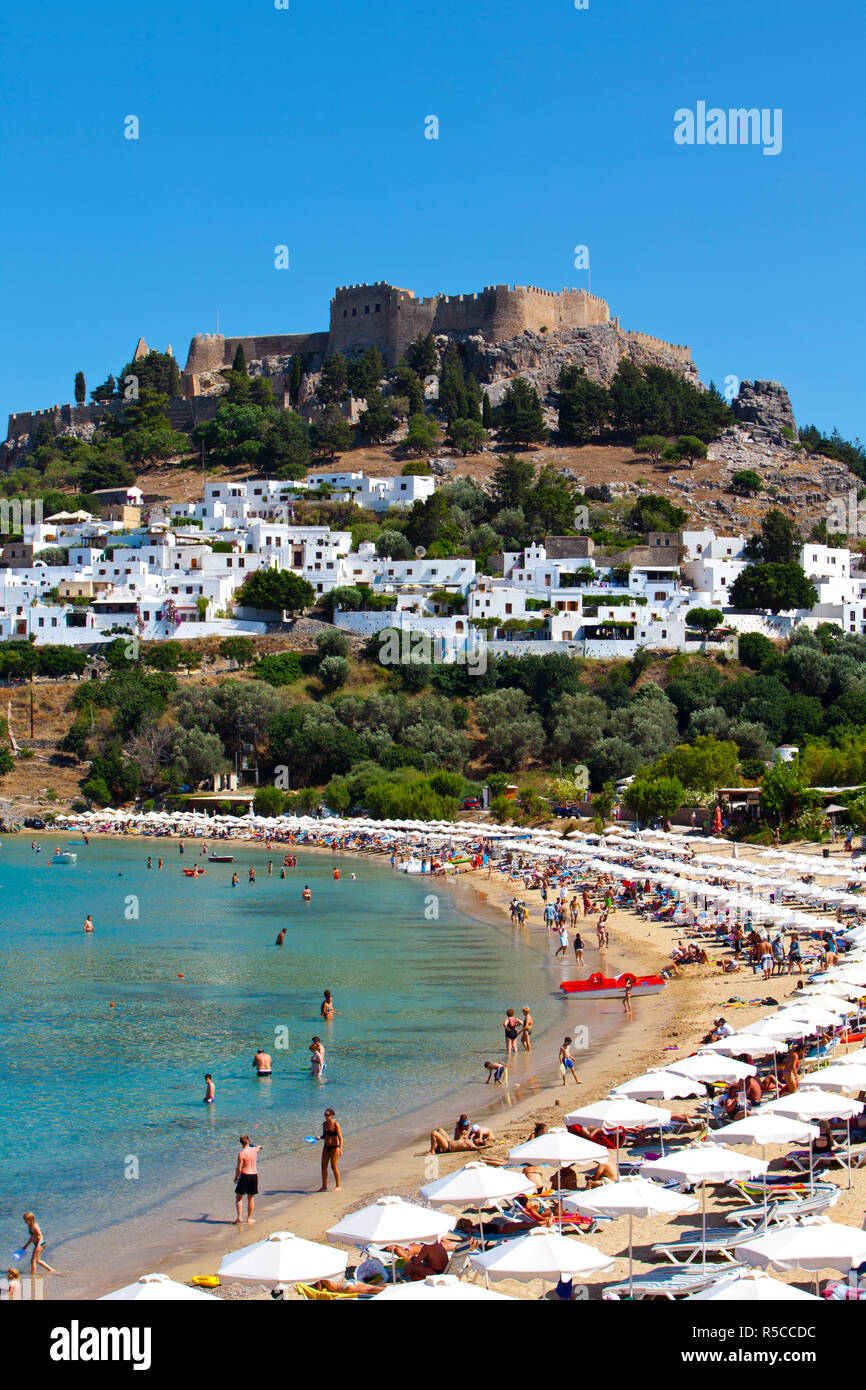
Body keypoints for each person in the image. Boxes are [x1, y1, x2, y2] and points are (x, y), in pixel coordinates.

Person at [234, 1136, 260, 1224]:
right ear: (248, 1141)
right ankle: (249, 1218)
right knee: (251, 1198)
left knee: (239, 1197)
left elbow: (239, 1168)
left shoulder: (241, 1154)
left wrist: (236, 1177)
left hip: (245, 1175)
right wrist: (258, 1146)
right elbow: (258, 1147)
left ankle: (239, 1218)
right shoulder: (254, 1150)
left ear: (240, 1143)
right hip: (254, 1175)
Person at [21, 1213, 54, 1277]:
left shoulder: (34, 1226)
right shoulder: (30, 1226)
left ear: (30, 1220)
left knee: (33, 1260)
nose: (25, 1222)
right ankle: (51, 1270)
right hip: (37, 1244)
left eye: (26, 1220)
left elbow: (41, 1236)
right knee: (38, 1260)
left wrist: (38, 1246)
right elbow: (32, 1237)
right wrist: (26, 1246)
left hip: (40, 1244)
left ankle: (33, 1275)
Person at [318, 1108, 342, 1191]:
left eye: (327, 1115)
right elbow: (324, 1136)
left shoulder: (335, 1124)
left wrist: (340, 1149)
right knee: (323, 1166)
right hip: (326, 1147)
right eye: (325, 1115)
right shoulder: (324, 1124)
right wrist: (319, 1138)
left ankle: (338, 1186)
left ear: (331, 1116)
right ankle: (324, 1186)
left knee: (333, 1166)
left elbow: (340, 1138)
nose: (326, 1116)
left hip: (334, 1147)